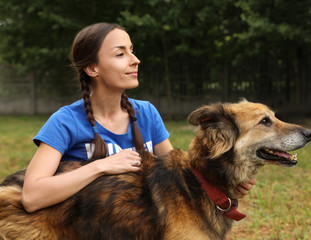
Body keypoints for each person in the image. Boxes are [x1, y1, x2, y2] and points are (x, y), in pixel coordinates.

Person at [21, 22, 256, 213]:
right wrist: (101, 167)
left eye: (131, 50)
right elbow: (32, 196)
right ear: (93, 69)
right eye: (120, 53)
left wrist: (226, 183)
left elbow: (180, 176)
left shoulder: (147, 113)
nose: (135, 59)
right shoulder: (65, 121)